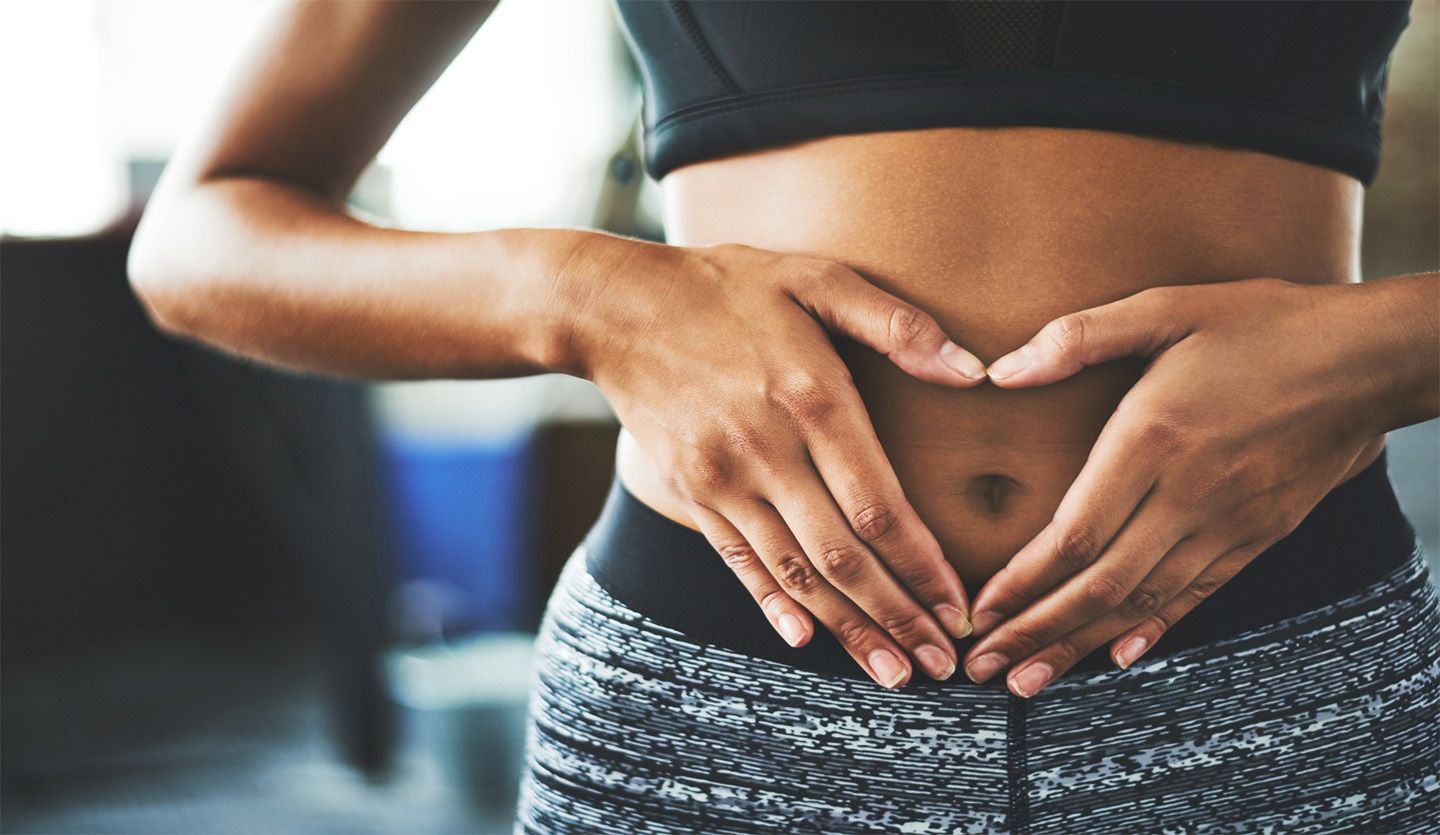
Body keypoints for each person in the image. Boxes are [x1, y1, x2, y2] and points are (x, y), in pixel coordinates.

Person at [130, 1, 1439, 831]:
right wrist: (585, 295)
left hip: (1282, 685)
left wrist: (1390, 345)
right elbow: (204, 237)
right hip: (715, 699)